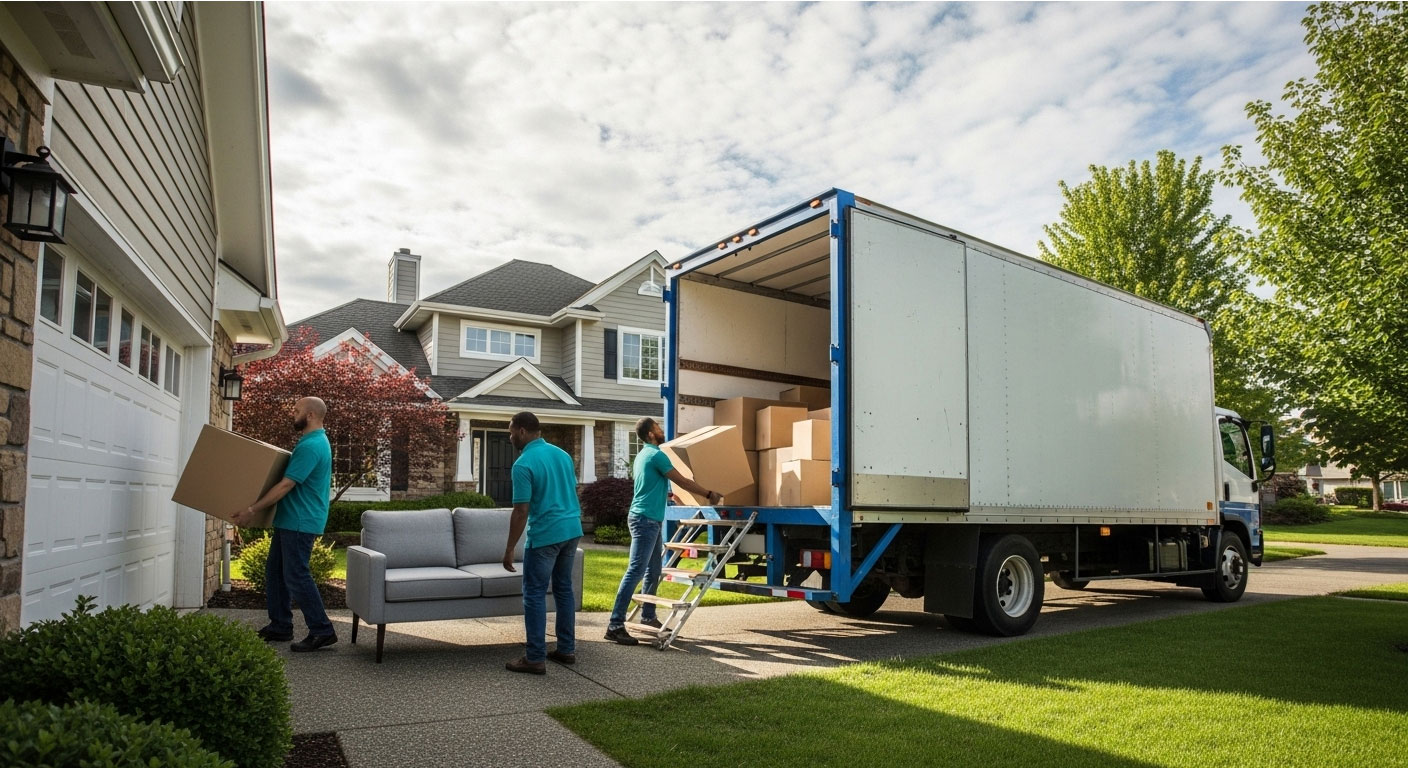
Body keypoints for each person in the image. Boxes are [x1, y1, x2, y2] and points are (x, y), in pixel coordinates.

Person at [604, 417, 722, 645]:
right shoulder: (657, 455)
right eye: (657, 427)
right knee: (636, 571)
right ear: (650, 433)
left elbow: (650, 485)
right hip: (645, 520)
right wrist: (709, 494)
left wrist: (669, 497)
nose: (661, 430)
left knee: (654, 569)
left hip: (649, 519)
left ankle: (648, 616)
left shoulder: (643, 456)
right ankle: (615, 624)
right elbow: (683, 480)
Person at [232, 397, 337, 652]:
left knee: (296, 575)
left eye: (297, 410)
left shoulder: (311, 445)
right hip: (291, 519)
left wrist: (252, 510)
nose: (293, 414)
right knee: (276, 573)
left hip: (300, 521)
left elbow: (287, 484)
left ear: (311, 415)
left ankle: (322, 630)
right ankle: (280, 626)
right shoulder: (312, 441)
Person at [502, 411, 583, 674]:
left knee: (534, 593)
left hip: (546, 534)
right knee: (563, 590)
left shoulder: (523, 464)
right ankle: (566, 650)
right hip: (572, 530)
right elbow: (570, 490)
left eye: (511, 431)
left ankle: (535, 657)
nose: (510, 436)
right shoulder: (563, 455)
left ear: (523, 431)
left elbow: (520, 511)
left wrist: (509, 548)